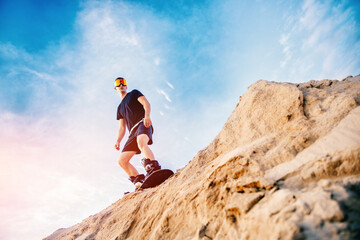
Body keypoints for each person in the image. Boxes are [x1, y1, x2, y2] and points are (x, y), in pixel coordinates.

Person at [114, 77, 161, 189]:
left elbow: (146, 103)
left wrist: (147, 116)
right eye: (118, 83)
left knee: (141, 142)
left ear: (126, 86)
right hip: (132, 133)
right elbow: (122, 127)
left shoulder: (134, 93)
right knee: (122, 161)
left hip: (142, 123)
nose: (121, 85)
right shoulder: (119, 108)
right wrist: (118, 140)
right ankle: (138, 180)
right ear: (115, 88)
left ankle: (153, 168)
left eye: (123, 82)